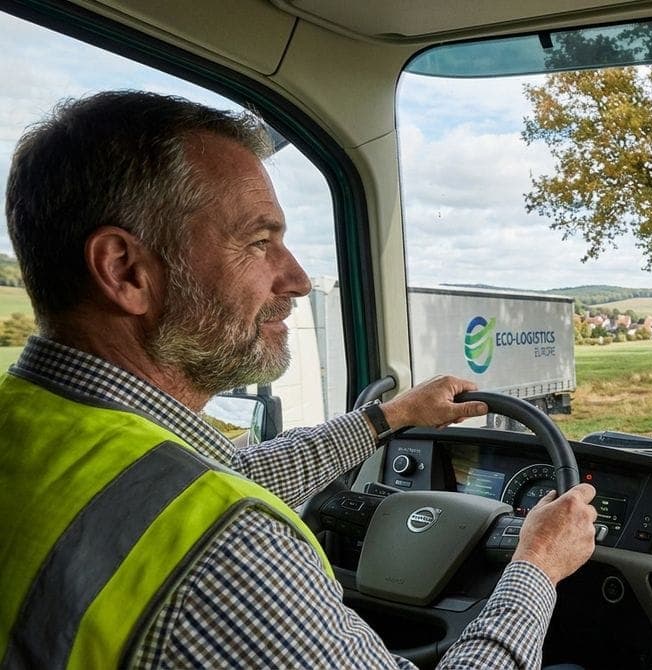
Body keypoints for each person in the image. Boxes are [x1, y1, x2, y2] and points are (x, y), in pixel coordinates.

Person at [0, 90, 598, 669]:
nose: (298, 279)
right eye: (260, 243)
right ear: (125, 270)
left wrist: (389, 418)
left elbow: (219, 479)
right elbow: (208, 507)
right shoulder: (228, 554)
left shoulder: (47, 433)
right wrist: (536, 567)